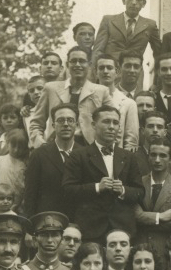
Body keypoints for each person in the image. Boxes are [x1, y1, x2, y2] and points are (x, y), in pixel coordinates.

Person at [62, 105, 145, 245]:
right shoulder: (78, 156)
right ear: (94, 125)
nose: (111, 127)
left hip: (123, 228)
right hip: (90, 229)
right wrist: (96, 187)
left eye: (115, 122)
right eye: (106, 121)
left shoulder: (129, 157)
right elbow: (68, 190)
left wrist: (123, 190)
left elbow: (140, 192)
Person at [28, 46, 113, 149]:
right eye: (73, 61)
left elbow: (113, 122)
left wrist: (106, 149)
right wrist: (42, 145)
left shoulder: (101, 91)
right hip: (56, 148)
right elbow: (36, 123)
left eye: (82, 61)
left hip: (89, 149)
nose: (77, 65)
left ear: (89, 65)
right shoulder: (51, 88)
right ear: (67, 65)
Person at [92, 0, 161, 89]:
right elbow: (97, 51)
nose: (134, 2)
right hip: (110, 74)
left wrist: (156, 82)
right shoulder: (109, 20)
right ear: (124, 0)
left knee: (133, 99)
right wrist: (96, 79)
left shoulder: (150, 25)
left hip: (135, 74)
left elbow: (159, 54)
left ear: (144, 3)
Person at [23, 104, 83, 218]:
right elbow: (30, 194)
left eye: (70, 120)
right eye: (60, 120)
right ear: (53, 125)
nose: (66, 124)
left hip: (77, 221)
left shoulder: (85, 154)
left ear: (77, 125)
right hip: (48, 220)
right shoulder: (39, 155)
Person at [136, 136, 171, 252]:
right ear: (148, 157)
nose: (157, 160)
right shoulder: (138, 184)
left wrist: (145, 219)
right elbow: (135, 216)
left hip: (165, 249)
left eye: (163, 156)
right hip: (139, 248)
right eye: (153, 155)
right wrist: (160, 217)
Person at [95, 54, 140, 151]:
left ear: (117, 72)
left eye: (109, 68)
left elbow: (131, 142)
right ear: (96, 72)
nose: (105, 71)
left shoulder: (128, 103)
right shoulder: (87, 99)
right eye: (101, 68)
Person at [0, 129, 28, 213]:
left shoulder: (25, 164)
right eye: (13, 146)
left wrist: (20, 203)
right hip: (1, 201)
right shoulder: (0, 160)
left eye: (20, 147)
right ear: (7, 143)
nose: (16, 150)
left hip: (18, 203)